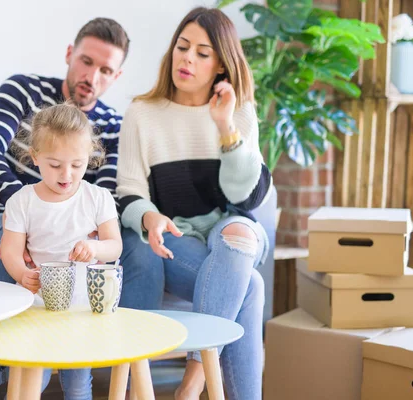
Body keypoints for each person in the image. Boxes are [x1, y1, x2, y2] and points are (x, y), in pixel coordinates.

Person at [0, 17, 129, 400]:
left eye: (105, 70)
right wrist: (30, 210)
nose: (92, 76)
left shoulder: (115, 126)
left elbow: (103, 197)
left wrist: (73, 228)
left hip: (66, 240)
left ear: (116, 75)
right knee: (6, 242)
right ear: (70, 54)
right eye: (86, 62)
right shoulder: (24, 89)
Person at [116, 7, 271, 400]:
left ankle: (193, 382)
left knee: (237, 235)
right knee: (249, 288)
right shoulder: (142, 113)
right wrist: (149, 217)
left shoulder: (239, 114)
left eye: (203, 53)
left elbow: (245, 196)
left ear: (221, 65)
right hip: (176, 233)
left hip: (231, 230)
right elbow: (129, 190)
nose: (187, 58)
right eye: (183, 47)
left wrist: (225, 128)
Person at [0, 102, 122, 399]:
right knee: (30, 379)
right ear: (35, 157)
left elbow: (114, 246)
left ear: (88, 159)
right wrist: (22, 272)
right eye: (55, 165)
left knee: (79, 384)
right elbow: (9, 251)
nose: (66, 174)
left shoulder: (98, 198)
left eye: (77, 165)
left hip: (83, 309)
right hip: (36, 307)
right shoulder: (22, 200)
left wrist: (93, 246)